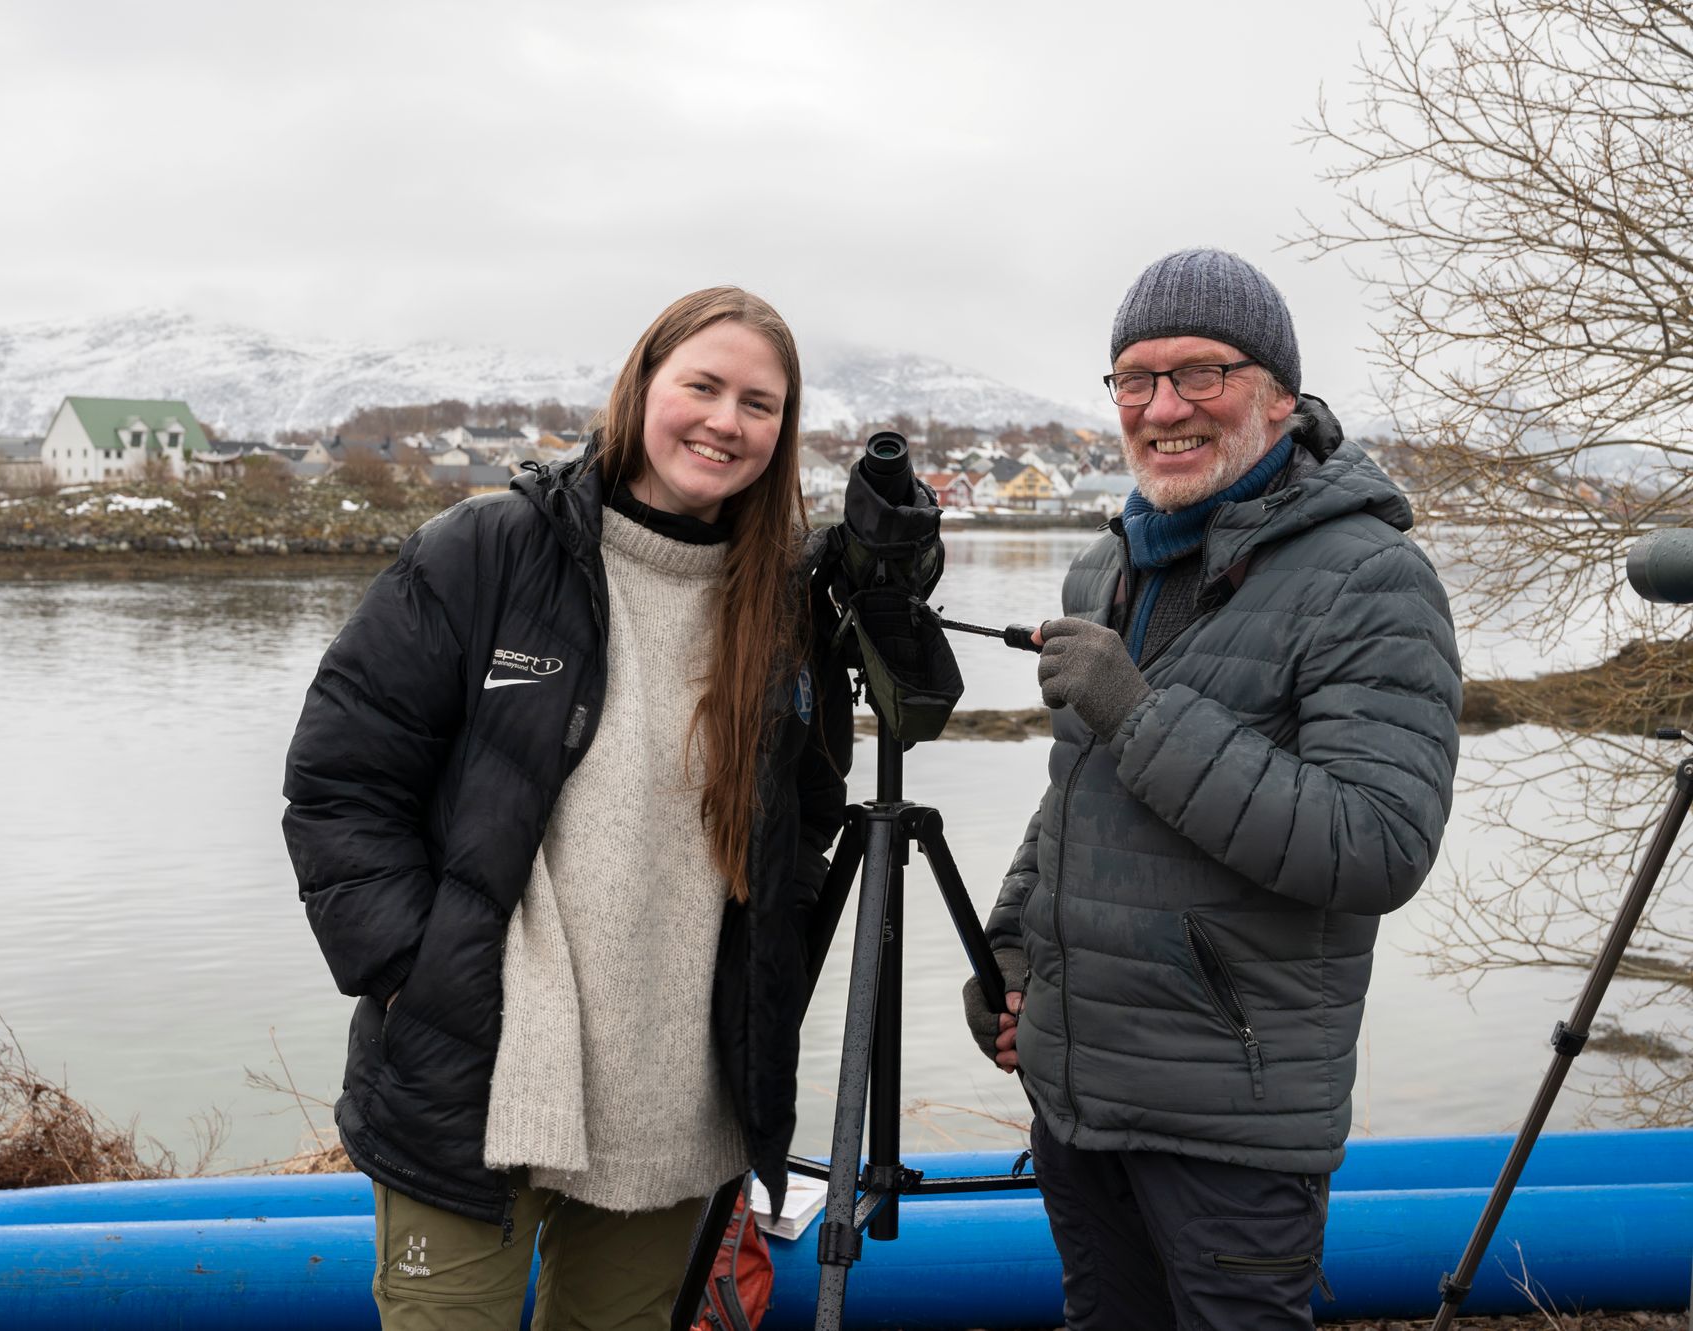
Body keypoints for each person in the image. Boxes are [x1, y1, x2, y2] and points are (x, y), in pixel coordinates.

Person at [282, 286, 852, 1331]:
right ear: (641, 386)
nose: (725, 421)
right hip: (479, 1071)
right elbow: (339, 779)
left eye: (758, 404)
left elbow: (806, 820)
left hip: (675, 1090)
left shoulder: (781, 607)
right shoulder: (487, 550)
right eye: (703, 386)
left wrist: (757, 992)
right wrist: (414, 974)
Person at [962, 249, 1461, 1328]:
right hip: (1079, 1101)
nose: (1162, 407)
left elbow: (1377, 844)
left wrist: (1140, 714)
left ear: (1278, 393)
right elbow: (1076, 799)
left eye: (1200, 373)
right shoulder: (1106, 566)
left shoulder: (1369, 576)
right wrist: (1009, 947)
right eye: (1134, 379)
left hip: (1232, 1124)